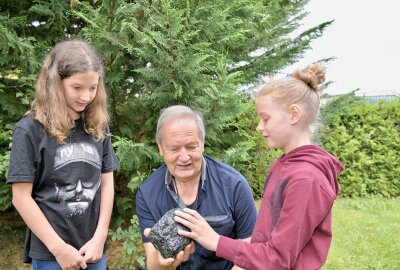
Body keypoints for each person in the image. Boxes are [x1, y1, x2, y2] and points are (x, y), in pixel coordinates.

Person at [174, 64, 344, 269]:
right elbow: (265, 238)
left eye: (266, 118)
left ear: (294, 114)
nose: (259, 126)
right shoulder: (284, 165)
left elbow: (279, 259)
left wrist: (216, 241)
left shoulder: (306, 180)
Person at [7, 40, 120, 270]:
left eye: (93, 87)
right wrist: (59, 249)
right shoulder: (29, 130)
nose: (86, 96)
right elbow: (20, 197)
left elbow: (106, 183)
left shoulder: (98, 125)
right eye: (77, 87)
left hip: (94, 249)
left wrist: (100, 238)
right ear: (56, 83)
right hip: (51, 252)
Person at [136, 105, 257, 269]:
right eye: (174, 149)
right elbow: (153, 263)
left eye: (192, 147)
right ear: (160, 148)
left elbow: (251, 253)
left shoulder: (234, 185)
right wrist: (164, 263)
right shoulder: (148, 193)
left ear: (202, 143)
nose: (184, 157)